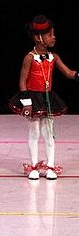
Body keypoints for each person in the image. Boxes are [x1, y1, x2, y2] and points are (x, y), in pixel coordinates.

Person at [9, 15, 78, 180]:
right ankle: (33, 166)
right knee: (34, 132)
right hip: (33, 99)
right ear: (38, 38)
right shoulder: (29, 58)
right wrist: (27, 103)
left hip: (48, 99)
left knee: (49, 133)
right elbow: (22, 81)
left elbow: (69, 73)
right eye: (50, 35)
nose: (53, 37)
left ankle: (50, 166)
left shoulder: (54, 57)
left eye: (53, 34)